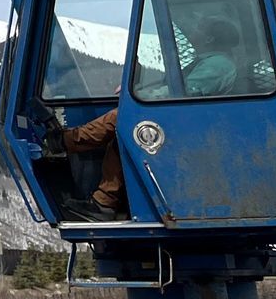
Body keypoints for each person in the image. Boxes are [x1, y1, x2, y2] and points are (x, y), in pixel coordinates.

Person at [54, 16, 243, 221]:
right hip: (184, 121)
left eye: (199, 27)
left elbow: (186, 92)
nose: (193, 31)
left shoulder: (218, 65)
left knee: (121, 118)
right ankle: (103, 201)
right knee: (122, 137)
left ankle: (64, 142)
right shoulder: (208, 62)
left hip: (190, 128)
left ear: (209, 39)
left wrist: (138, 96)